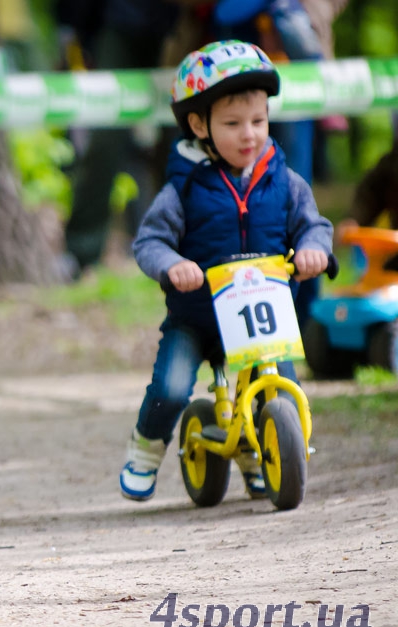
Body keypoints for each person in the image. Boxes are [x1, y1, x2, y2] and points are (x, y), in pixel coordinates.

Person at [119, 40, 332, 502]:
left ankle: (265, 451)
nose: (249, 135)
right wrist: (174, 265)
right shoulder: (186, 187)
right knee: (172, 387)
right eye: (232, 124)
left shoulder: (284, 181)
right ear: (200, 125)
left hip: (263, 321)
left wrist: (315, 250)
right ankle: (147, 446)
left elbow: (313, 225)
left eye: (258, 121)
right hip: (197, 317)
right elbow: (149, 241)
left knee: (282, 390)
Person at [56, 0, 183, 281]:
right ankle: (81, 253)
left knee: (180, 143)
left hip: (179, 24)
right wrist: (75, 29)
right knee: (106, 143)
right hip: (119, 23)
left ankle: (184, 243)